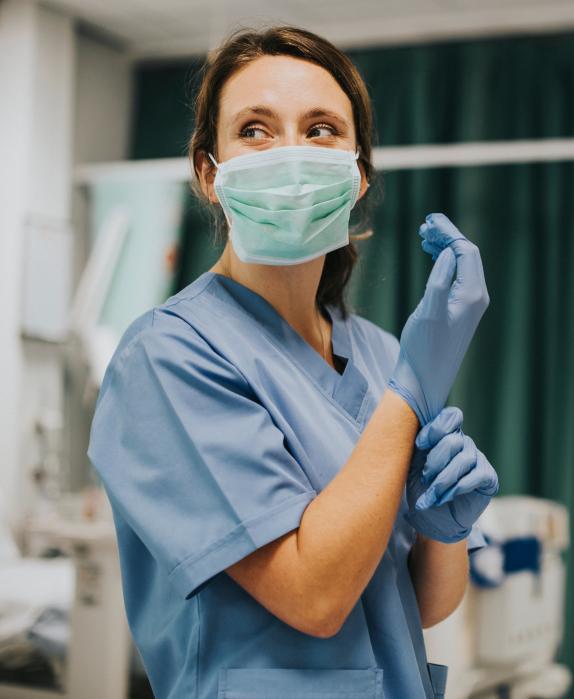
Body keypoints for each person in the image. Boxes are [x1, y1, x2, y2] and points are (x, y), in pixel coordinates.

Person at [86, 26, 498, 699]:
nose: (291, 155)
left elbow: (414, 606)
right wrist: (410, 395)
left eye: (321, 129)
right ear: (208, 173)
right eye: (254, 129)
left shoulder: (381, 354)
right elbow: (314, 595)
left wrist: (442, 529)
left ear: (358, 173)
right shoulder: (167, 357)